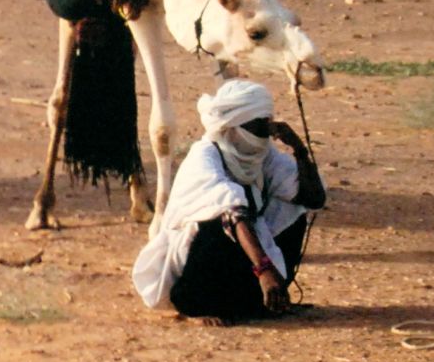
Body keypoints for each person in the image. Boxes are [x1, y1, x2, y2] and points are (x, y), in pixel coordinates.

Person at [132, 79, 326, 324]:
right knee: (221, 220)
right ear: (233, 126)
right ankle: (200, 307)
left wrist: (299, 150)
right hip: (191, 266)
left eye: (268, 125)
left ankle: (266, 299)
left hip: (246, 263)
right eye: (258, 127)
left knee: (295, 208)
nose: (265, 134)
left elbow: (314, 198)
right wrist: (264, 269)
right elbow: (232, 212)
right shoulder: (205, 155)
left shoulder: (263, 157)